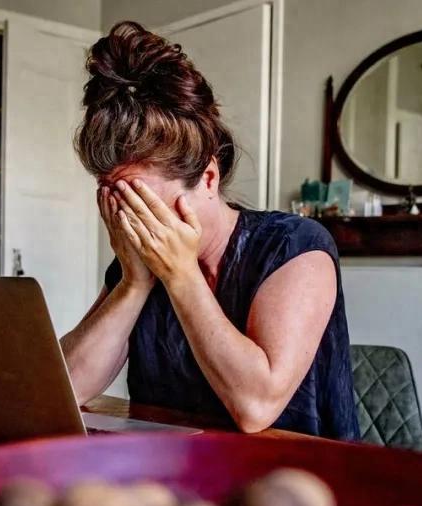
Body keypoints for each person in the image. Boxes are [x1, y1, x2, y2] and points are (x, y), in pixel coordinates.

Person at [60, 22, 359, 439]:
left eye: (146, 202)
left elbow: (256, 408)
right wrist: (132, 284)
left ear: (208, 179)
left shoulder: (296, 247)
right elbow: (67, 388)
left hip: (293, 472)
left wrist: (181, 276)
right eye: (119, 201)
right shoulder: (138, 260)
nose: (134, 223)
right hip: (171, 468)